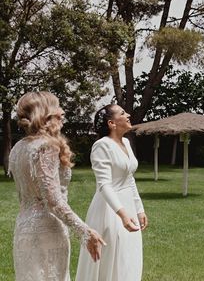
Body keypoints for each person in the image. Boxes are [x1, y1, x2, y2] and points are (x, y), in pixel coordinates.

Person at [8, 91, 105, 280]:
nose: (62, 112)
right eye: (57, 106)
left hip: (23, 228)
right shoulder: (46, 146)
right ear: (46, 113)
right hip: (48, 229)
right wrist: (85, 231)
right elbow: (52, 200)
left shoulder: (18, 147)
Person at [76, 104, 147, 281]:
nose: (128, 115)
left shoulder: (126, 143)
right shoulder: (101, 146)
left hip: (128, 205)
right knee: (112, 257)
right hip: (109, 209)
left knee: (128, 257)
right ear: (112, 123)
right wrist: (122, 215)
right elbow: (104, 185)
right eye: (123, 113)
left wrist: (139, 209)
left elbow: (129, 178)